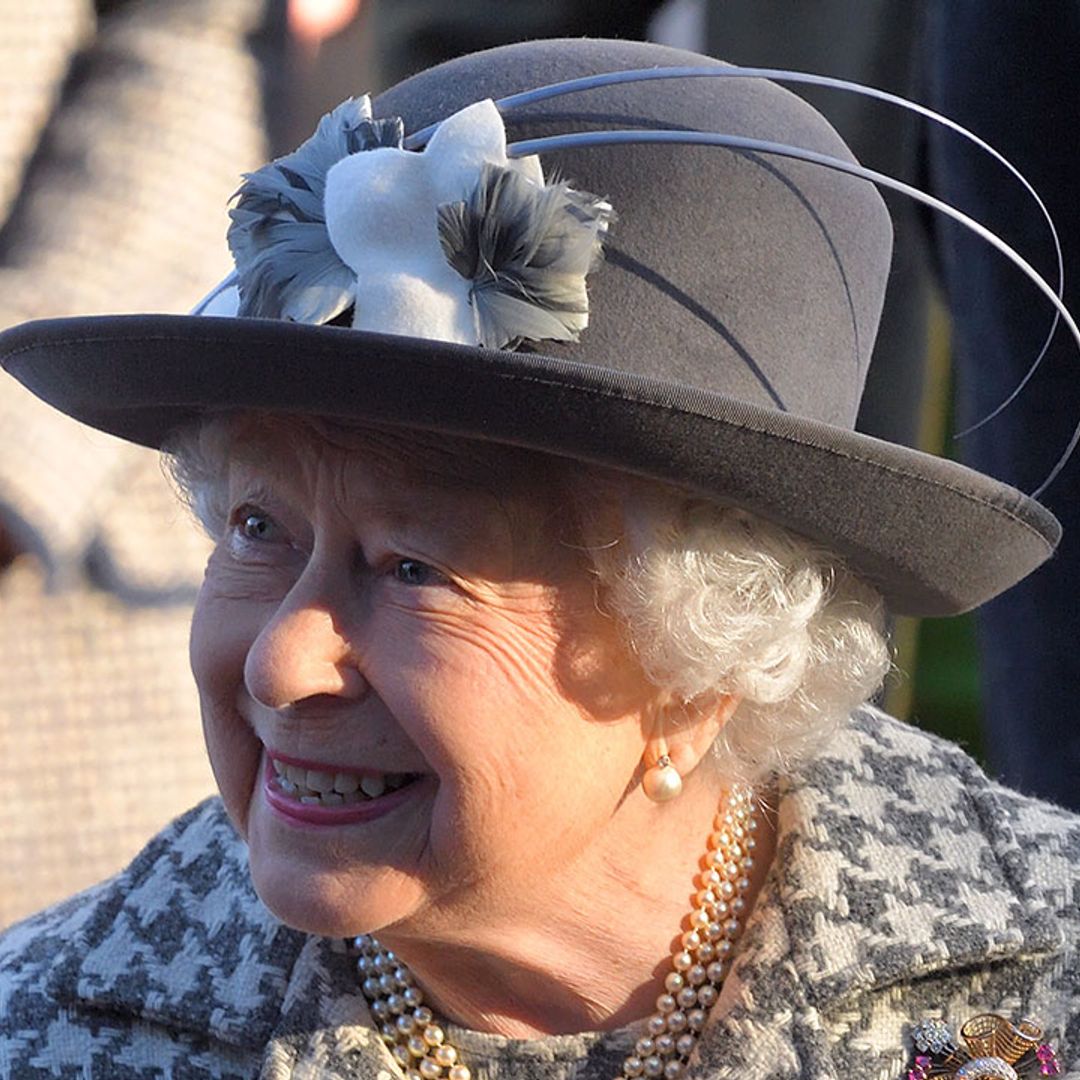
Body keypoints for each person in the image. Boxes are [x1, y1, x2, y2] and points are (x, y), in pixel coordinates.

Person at [1, 38, 1077, 1080]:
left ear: (703, 661)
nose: (282, 662)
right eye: (256, 530)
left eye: (412, 567)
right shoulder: (47, 1032)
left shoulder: (1034, 992)